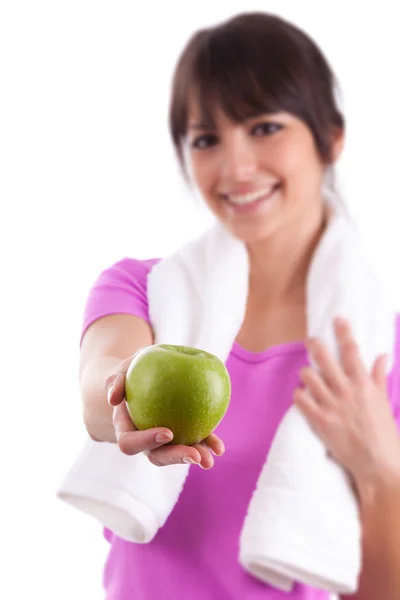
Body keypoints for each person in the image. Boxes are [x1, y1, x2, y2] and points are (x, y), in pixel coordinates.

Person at [79, 11, 400, 600]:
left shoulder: (380, 355)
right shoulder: (139, 292)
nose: (236, 168)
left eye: (264, 127)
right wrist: (122, 394)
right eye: (206, 139)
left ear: (331, 137)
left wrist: (381, 472)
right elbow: (101, 385)